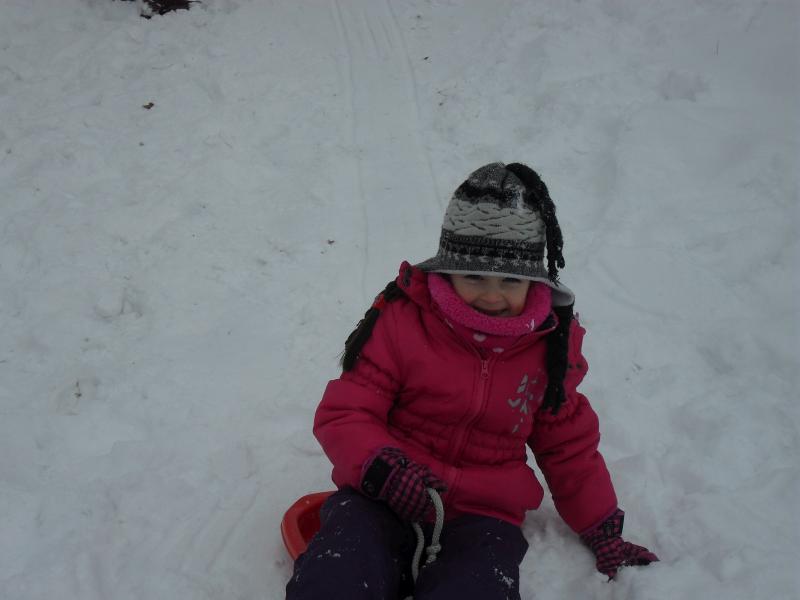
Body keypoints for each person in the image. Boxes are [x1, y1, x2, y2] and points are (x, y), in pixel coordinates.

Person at [285, 162, 658, 600]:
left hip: (484, 515)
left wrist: (602, 526)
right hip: (386, 494)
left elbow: (567, 446)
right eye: (474, 276)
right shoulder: (405, 321)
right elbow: (348, 410)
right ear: (447, 270)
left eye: (511, 280)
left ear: (534, 281)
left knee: (478, 588)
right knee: (339, 570)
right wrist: (380, 468)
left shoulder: (549, 349)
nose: (492, 295)